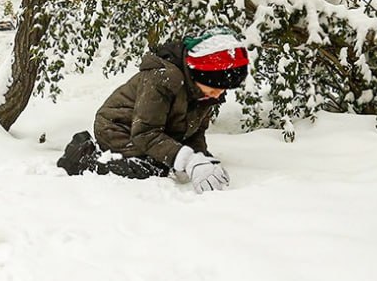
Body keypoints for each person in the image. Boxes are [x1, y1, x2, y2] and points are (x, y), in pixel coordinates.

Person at [56, 29, 250, 193]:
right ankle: (84, 159)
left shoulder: (205, 93)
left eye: (224, 87)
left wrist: (200, 158)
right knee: (152, 169)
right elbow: (145, 133)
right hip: (118, 127)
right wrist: (187, 160)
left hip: (155, 131)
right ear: (199, 73)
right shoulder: (162, 79)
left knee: (167, 161)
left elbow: (195, 131)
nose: (219, 93)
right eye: (215, 85)